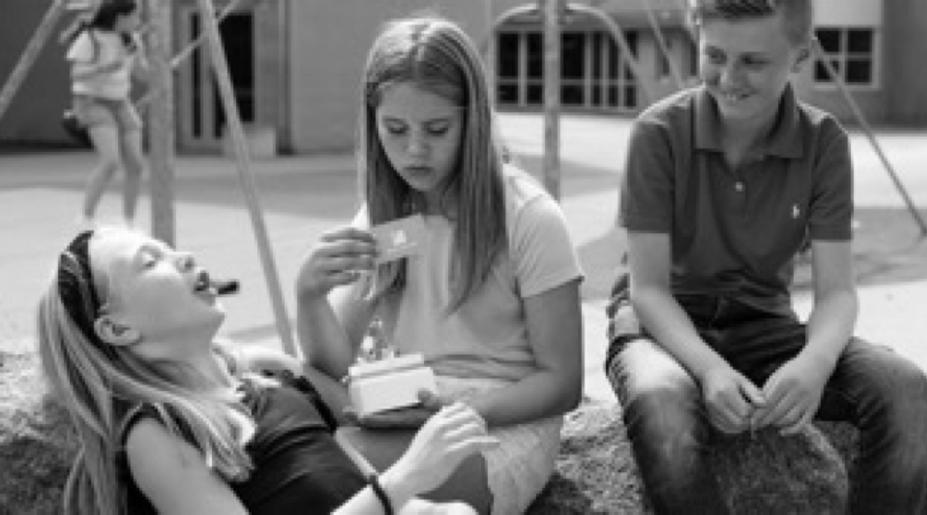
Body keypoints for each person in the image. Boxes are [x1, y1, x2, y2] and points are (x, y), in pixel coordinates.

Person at [604, 1, 927, 513]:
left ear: (801, 55)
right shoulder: (657, 134)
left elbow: (837, 293)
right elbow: (648, 291)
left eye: (753, 61)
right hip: (660, 327)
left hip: (765, 325)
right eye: (715, 55)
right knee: (663, 403)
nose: (729, 78)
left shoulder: (824, 142)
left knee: (904, 387)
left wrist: (815, 364)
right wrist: (709, 371)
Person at [295, 15, 584, 515]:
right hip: (409, 404)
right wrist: (308, 295)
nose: (414, 149)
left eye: (436, 129)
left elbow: (562, 383)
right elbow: (332, 366)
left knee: (317, 470)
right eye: (395, 129)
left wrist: (458, 409)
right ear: (373, 122)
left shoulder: (530, 217)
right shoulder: (388, 212)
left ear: (473, 120)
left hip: (499, 419)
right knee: (275, 385)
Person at [36, 226, 497, 514]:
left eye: (170, 248)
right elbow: (387, 491)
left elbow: (361, 479)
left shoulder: (266, 381)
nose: (185, 258)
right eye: (151, 262)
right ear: (117, 328)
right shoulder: (158, 433)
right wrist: (408, 477)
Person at [64, 0, 148, 228]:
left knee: (136, 163)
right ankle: (86, 216)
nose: (138, 21)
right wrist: (104, 67)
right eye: (135, 16)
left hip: (120, 101)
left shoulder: (132, 41)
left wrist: (161, 71)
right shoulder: (90, 38)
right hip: (90, 101)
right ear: (120, 17)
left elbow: (141, 73)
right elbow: (77, 74)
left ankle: (128, 221)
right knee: (110, 161)